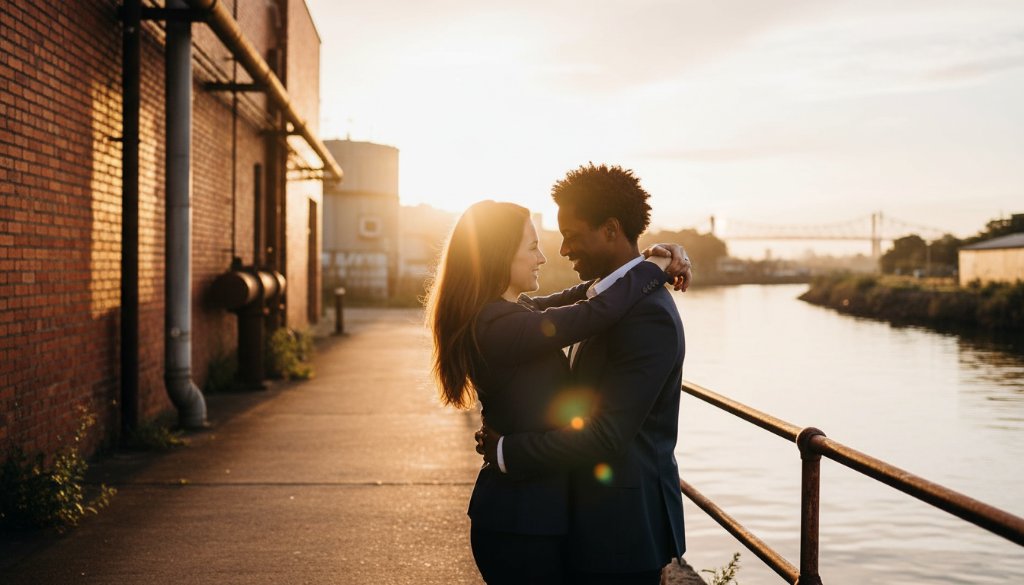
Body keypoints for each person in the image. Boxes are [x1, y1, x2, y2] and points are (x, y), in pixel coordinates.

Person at [425, 200, 690, 585]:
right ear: (498, 255)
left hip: (534, 517)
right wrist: (651, 268)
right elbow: (592, 313)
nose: (546, 256)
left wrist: (647, 263)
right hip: (518, 522)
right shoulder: (498, 325)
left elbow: (585, 295)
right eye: (532, 247)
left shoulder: (511, 314)